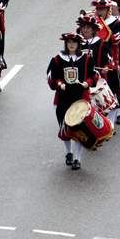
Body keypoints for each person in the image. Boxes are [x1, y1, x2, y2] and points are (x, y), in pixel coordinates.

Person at [47, 33, 97, 171]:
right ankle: (69, 153)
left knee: (79, 130)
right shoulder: (57, 59)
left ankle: (77, 159)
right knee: (65, 129)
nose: (72, 44)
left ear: (79, 44)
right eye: (69, 42)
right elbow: (51, 77)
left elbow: (94, 75)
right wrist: (59, 84)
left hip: (80, 100)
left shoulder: (86, 59)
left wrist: (88, 82)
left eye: (74, 42)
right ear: (66, 43)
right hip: (63, 100)